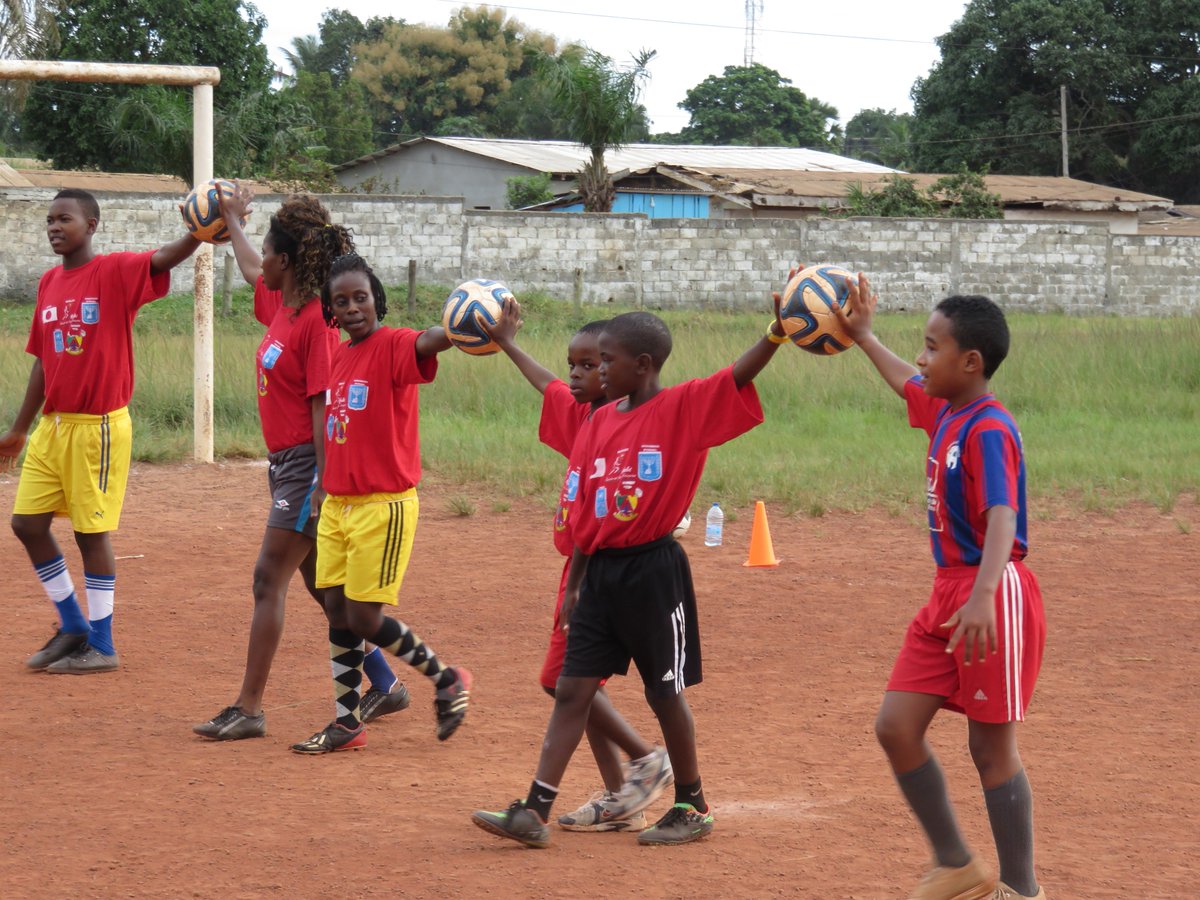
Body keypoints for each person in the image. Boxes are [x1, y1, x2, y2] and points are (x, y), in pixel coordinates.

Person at [472, 297, 789, 848]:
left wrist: (776, 333)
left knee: (663, 693)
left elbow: (737, 375)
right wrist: (575, 584)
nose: (597, 370)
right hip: (597, 573)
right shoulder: (597, 421)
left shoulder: (682, 408)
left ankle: (692, 805)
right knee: (570, 688)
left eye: (606, 361)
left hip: (653, 572)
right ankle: (534, 811)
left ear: (642, 365)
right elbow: (588, 511)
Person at [832, 276, 1046, 900]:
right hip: (949, 593)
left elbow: (1003, 515)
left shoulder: (989, 428)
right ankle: (956, 864)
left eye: (931, 347)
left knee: (990, 748)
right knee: (896, 726)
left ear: (970, 362)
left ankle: (1021, 890)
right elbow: (906, 380)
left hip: (992, 592)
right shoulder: (947, 409)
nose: (920, 358)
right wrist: (863, 336)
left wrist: (983, 595)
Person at [193, 187, 409, 742]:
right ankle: (385, 683)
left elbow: (323, 408)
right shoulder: (281, 304)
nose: (260, 261)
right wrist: (233, 221)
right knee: (322, 587)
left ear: (286, 261)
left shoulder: (317, 322)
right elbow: (250, 268)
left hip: (309, 464)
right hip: (285, 464)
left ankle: (249, 708)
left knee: (268, 578)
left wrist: (321, 482)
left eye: (268, 251)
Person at [482, 299, 673, 832]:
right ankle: (620, 796)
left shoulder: (625, 422)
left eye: (592, 364)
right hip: (579, 568)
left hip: (602, 572)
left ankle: (644, 760)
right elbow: (547, 385)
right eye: (576, 364)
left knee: (562, 682)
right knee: (578, 687)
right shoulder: (584, 415)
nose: (578, 374)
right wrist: (507, 343)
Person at [1, 188, 201, 673]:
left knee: (90, 534)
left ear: (91, 225)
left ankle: (103, 644)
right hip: (53, 427)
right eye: (50, 220)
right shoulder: (49, 282)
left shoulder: (113, 272)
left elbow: (163, 257)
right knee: (27, 524)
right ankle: (73, 625)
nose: (54, 227)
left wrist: (200, 230)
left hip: (99, 428)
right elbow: (43, 362)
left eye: (64, 219)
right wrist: (20, 429)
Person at [290, 252, 472, 753]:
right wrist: (323, 484)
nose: (352, 308)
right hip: (339, 505)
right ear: (330, 309)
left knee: (365, 618)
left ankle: (446, 678)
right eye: (341, 301)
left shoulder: (393, 345)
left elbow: (430, 340)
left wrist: (466, 322)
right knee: (335, 609)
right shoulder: (339, 357)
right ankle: (347, 723)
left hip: (382, 505)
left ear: (378, 301)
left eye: (361, 298)